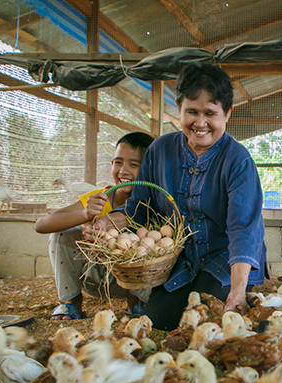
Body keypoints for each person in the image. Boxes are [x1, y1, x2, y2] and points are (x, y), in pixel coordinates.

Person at [84, 63, 267, 330]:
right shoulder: (160, 150)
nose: (200, 123)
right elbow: (139, 209)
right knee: (162, 320)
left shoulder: (237, 160)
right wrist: (107, 224)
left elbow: (244, 229)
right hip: (181, 259)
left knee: (208, 316)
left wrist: (238, 292)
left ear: (227, 113)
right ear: (179, 106)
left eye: (210, 113)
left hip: (225, 258)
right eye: (191, 111)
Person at [36, 132, 154, 320]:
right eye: (118, 162)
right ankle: (71, 304)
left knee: (146, 240)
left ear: (149, 168)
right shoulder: (100, 198)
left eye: (134, 164)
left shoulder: (154, 202)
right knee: (62, 234)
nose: (123, 171)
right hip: (96, 277)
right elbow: (41, 225)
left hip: (138, 284)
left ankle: (135, 305)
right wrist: (85, 214)